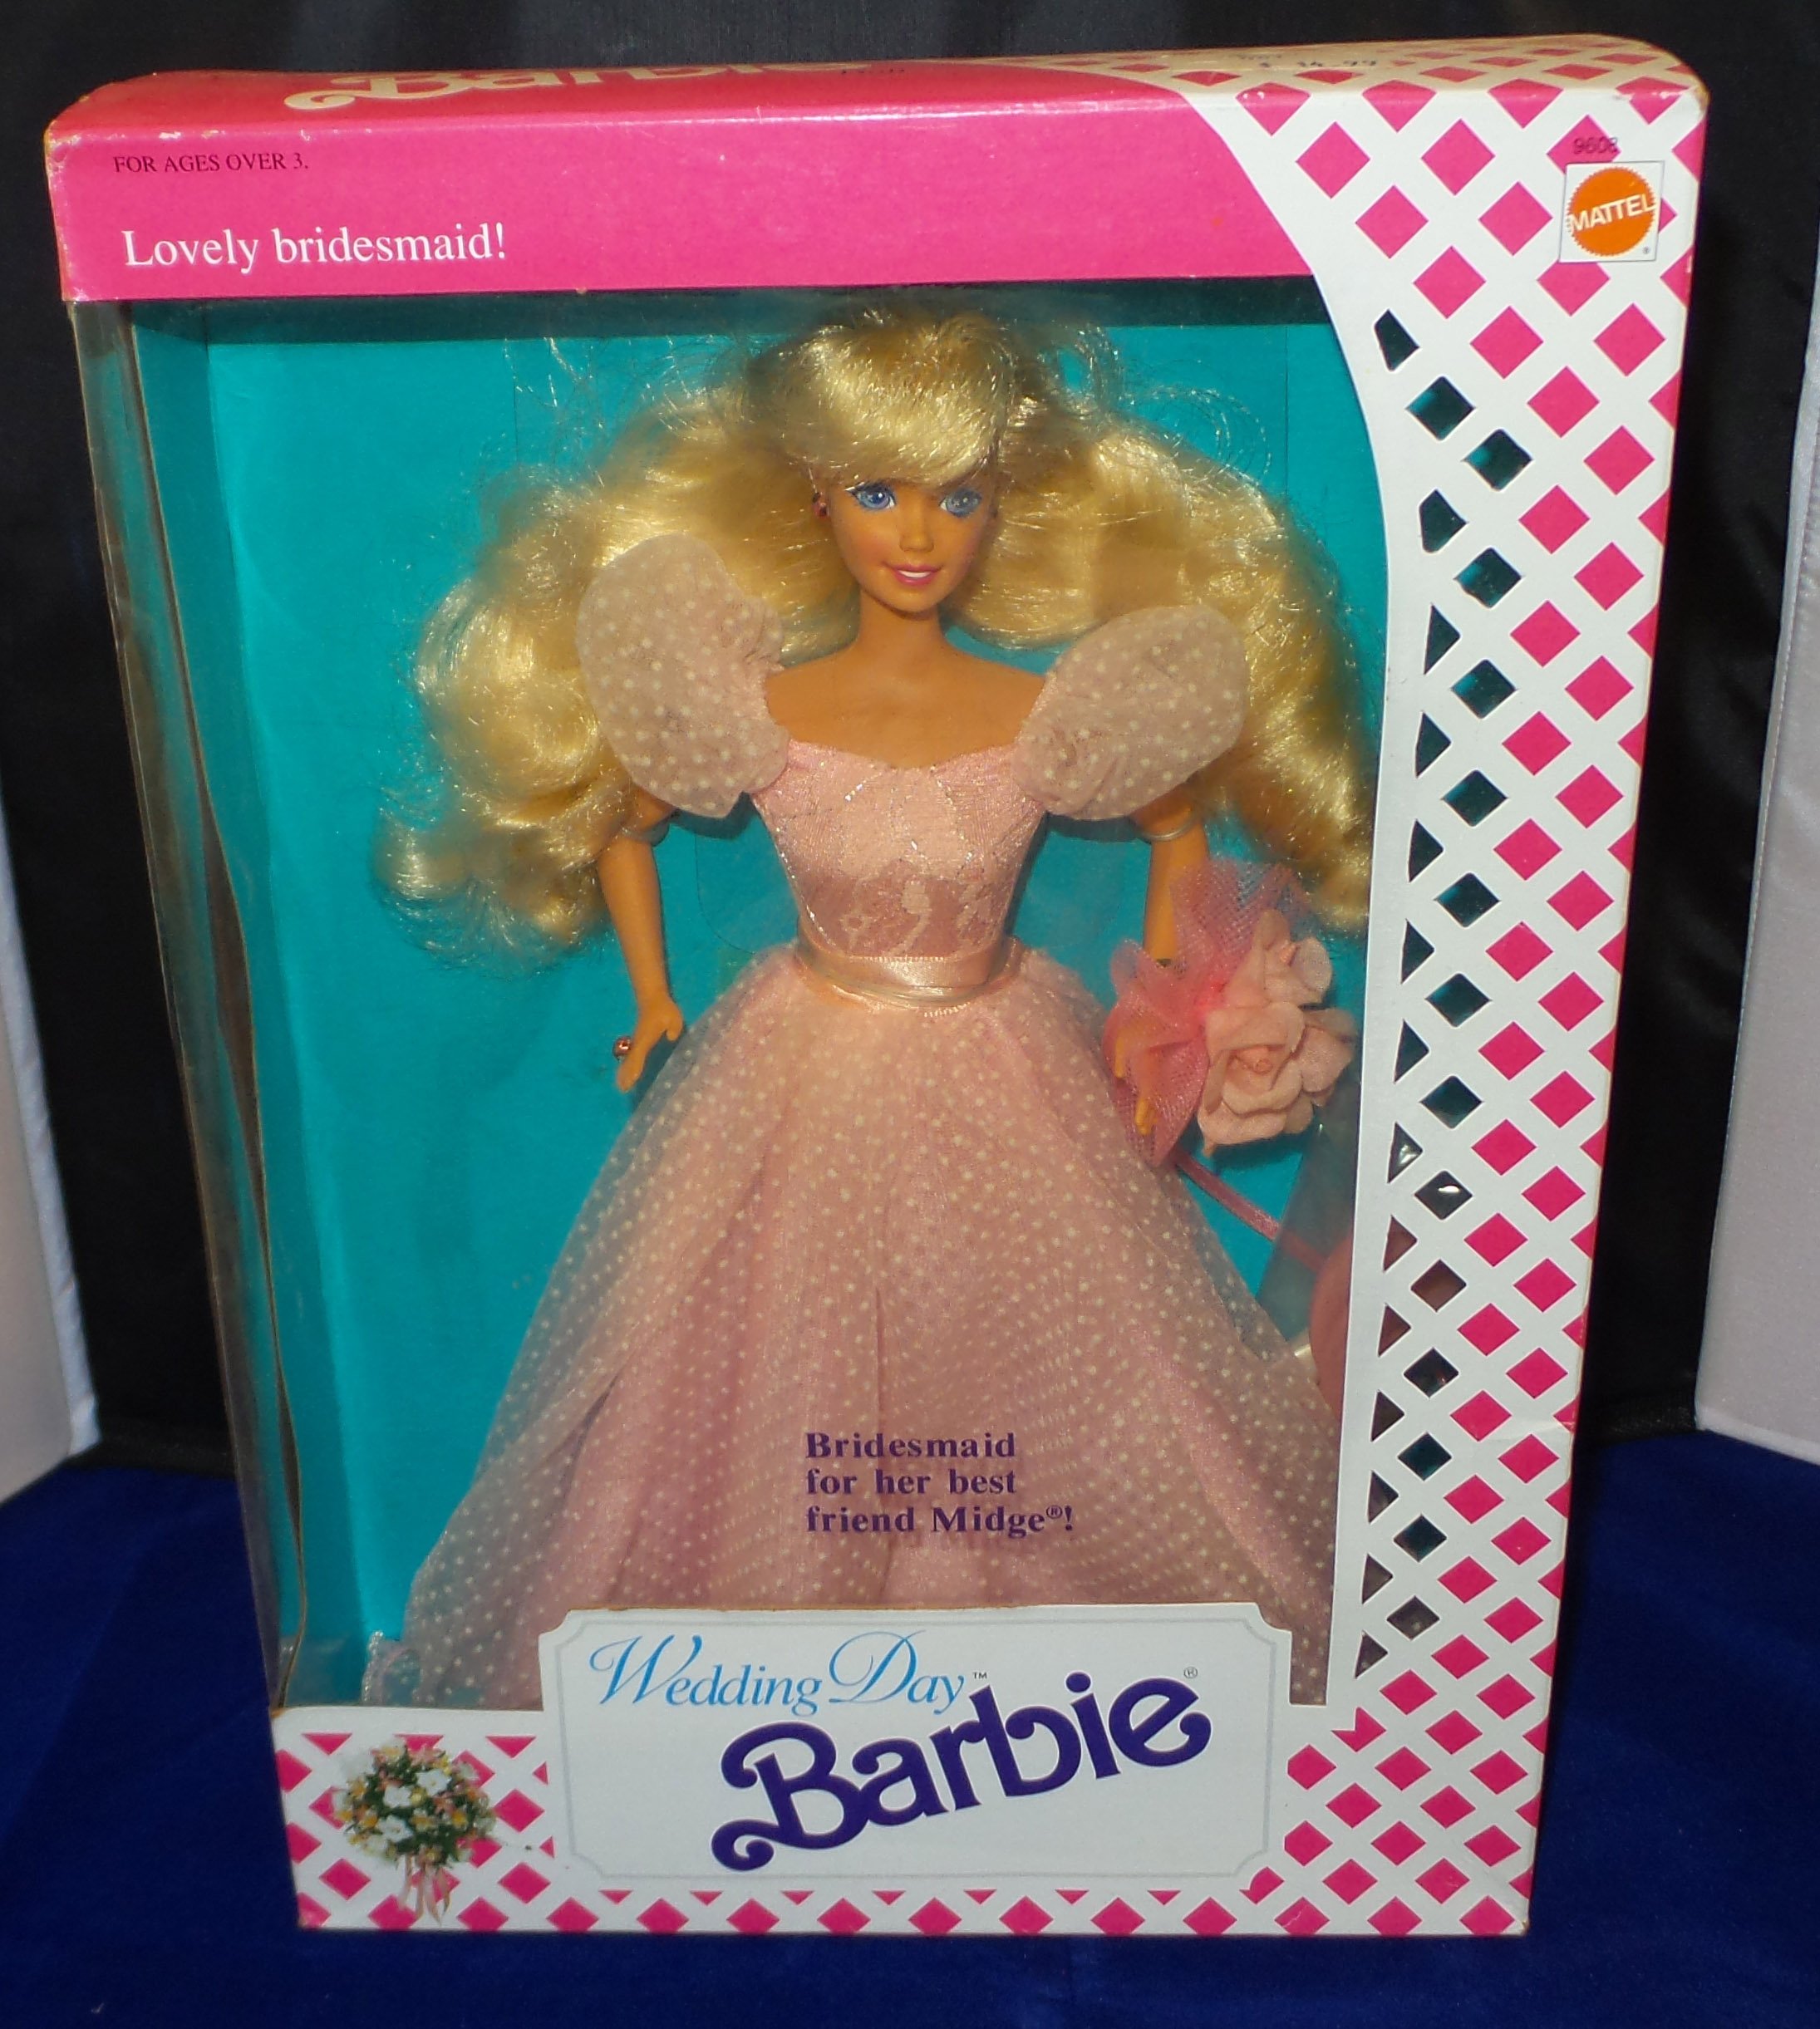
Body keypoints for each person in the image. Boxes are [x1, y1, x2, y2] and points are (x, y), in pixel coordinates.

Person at [367, 299, 1372, 1710]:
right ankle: (771, 1658)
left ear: (1000, 512)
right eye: (878, 491)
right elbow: (624, 825)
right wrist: (653, 994)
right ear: (815, 501)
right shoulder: (762, 709)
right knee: (778, 1344)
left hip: (1004, 1049)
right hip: (803, 1052)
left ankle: (1028, 1637)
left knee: (1036, 1335)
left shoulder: (1040, 716)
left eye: (959, 497)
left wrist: (1169, 1012)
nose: (919, 534)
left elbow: (1175, 828)